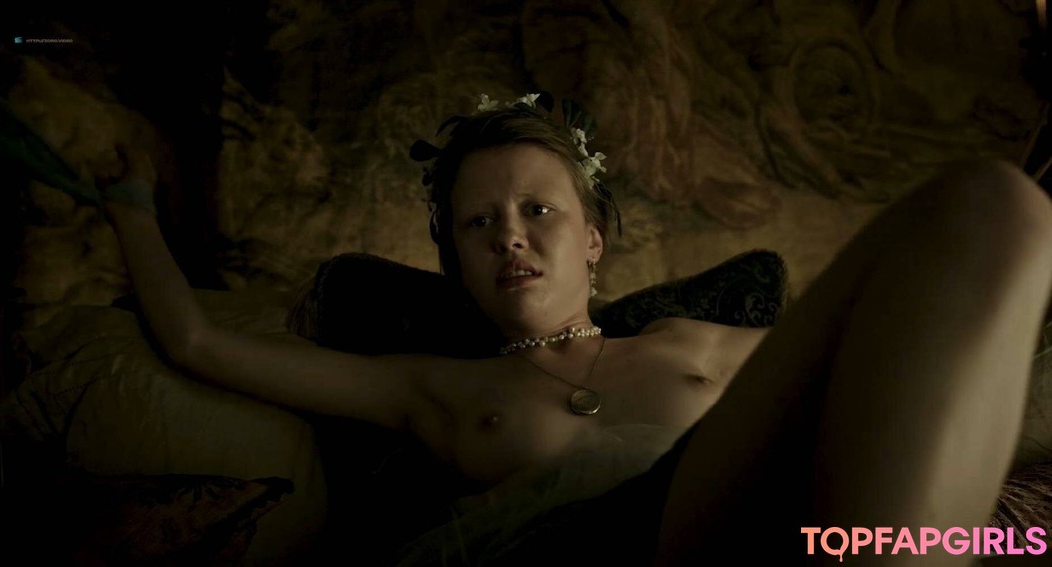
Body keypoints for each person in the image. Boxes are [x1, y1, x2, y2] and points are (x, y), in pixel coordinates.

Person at [99, 92, 1052, 566]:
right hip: (608, 548)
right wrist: (133, 205)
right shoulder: (437, 386)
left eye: (537, 211)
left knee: (994, 202)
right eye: (478, 224)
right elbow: (198, 344)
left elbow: (891, 390)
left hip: (766, 527)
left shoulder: (691, 342)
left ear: (593, 241)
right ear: (457, 264)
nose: (509, 237)